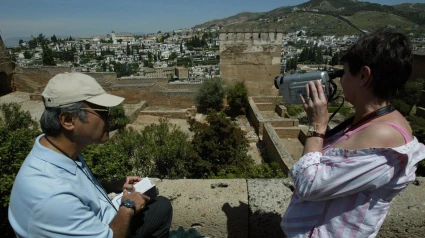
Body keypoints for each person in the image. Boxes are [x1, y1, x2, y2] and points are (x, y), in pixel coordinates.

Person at [281, 29, 425, 238]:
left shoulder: (383, 135)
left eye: (344, 73)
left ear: (364, 75)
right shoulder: (372, 120)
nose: (340, 80)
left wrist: (317, 126)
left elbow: (308, 185)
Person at [8, 72, 172, 238]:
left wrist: (109, 186)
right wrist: (128, 206)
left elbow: (76, 189)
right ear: (68, 120)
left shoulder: (59, 151)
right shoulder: (52, 195)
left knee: (159, 206)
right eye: (102, 111)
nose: (110, 117)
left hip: (98, 223)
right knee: (161, 208)